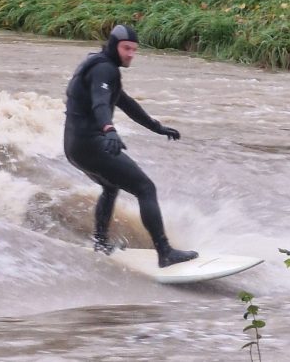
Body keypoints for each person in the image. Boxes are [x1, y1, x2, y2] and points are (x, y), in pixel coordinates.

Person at [63, 24, 199, 268]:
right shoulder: (105, 70)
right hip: (91, 144)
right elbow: (100, 103)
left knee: (110, 187)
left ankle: (101, 243)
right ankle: (165, 252)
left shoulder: (96, 63)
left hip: (74, 146)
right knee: (146, 188)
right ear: (113, 45)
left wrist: (156, 127)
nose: (130, 54)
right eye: (126, 48)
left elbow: (124, 102)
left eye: (134, 50)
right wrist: (109, 129)